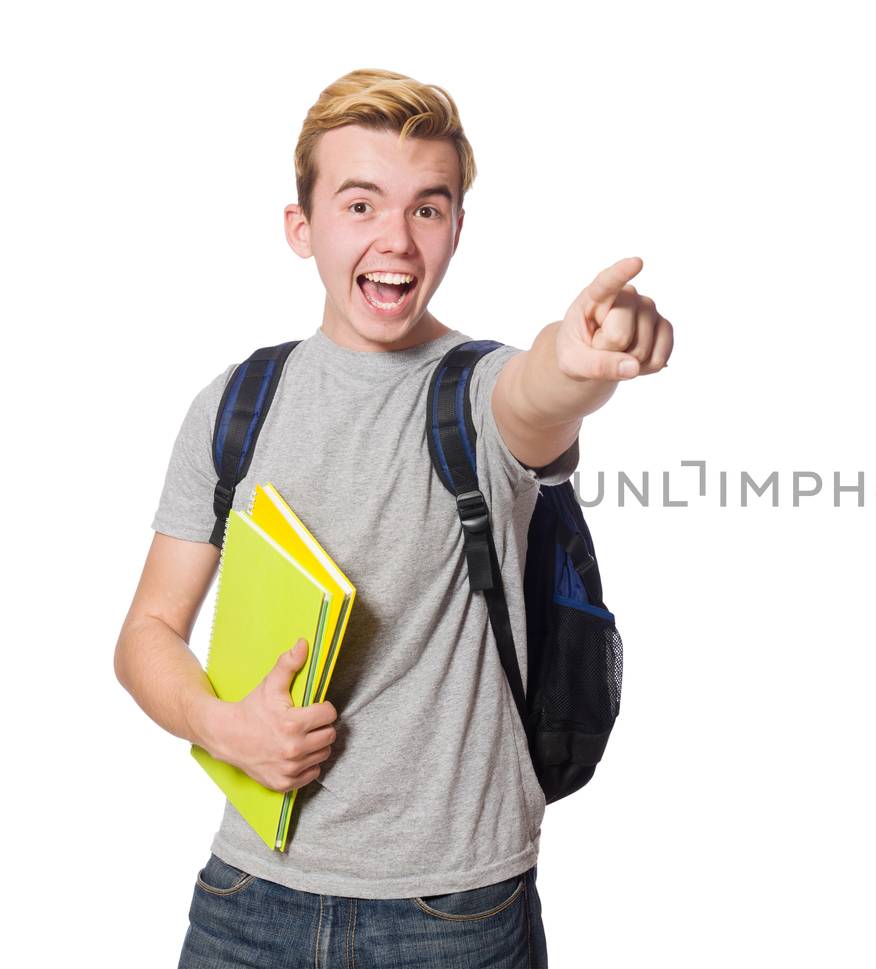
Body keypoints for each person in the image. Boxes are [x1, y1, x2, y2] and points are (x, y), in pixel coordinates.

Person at [113, 68, 673, 968]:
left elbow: (539, 399)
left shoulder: (480, 390)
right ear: (303, 228)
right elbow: (145, 633)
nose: (397, 241)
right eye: (361, 204)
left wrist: (576, 363)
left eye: (428, 208)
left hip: (452, 915)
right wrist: (226, 728)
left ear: (456, 228)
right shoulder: (237, 403)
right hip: (247, 898)